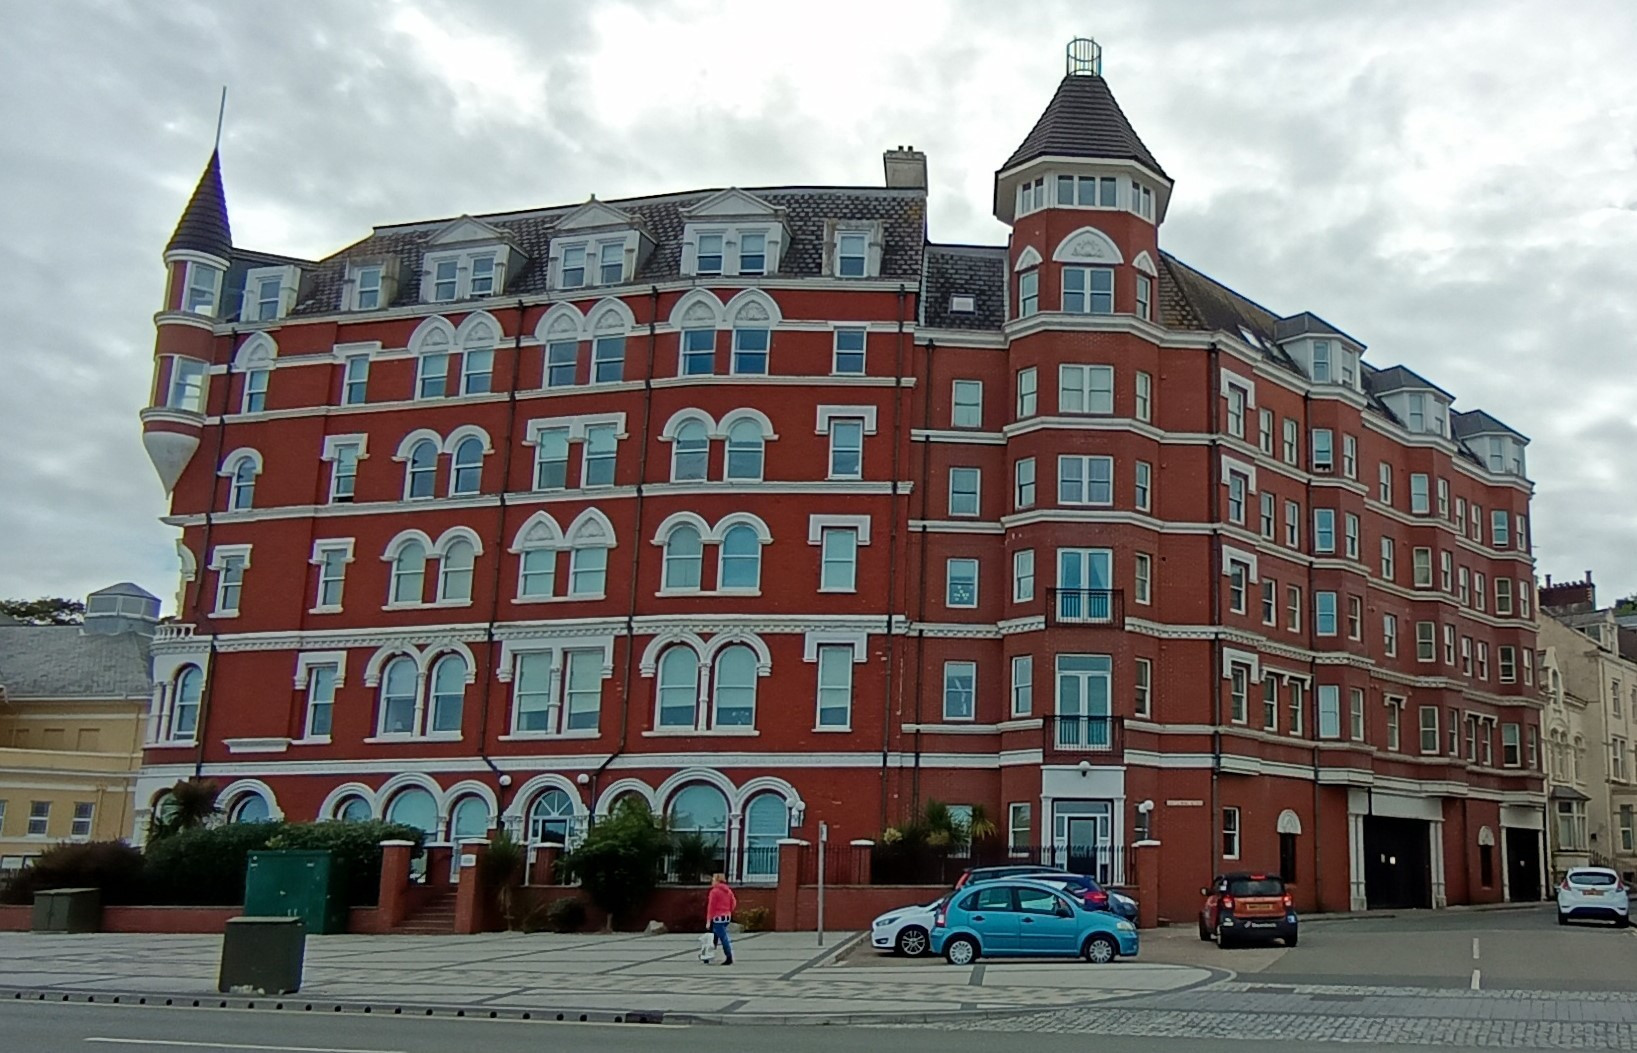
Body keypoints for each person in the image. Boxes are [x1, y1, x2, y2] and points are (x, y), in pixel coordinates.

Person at [705, 872, 737, 965]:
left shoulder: (714, 892)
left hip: (717, 917)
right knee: (716, 935)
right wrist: (728, 910)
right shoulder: (728, 891)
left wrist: (708, 920)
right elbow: (733, 902)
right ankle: (707, 955)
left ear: (717, 880)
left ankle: (729, 956)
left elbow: (711, 907)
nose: (712, 881)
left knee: (722, 937)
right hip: (726, 916)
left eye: (713, 880)